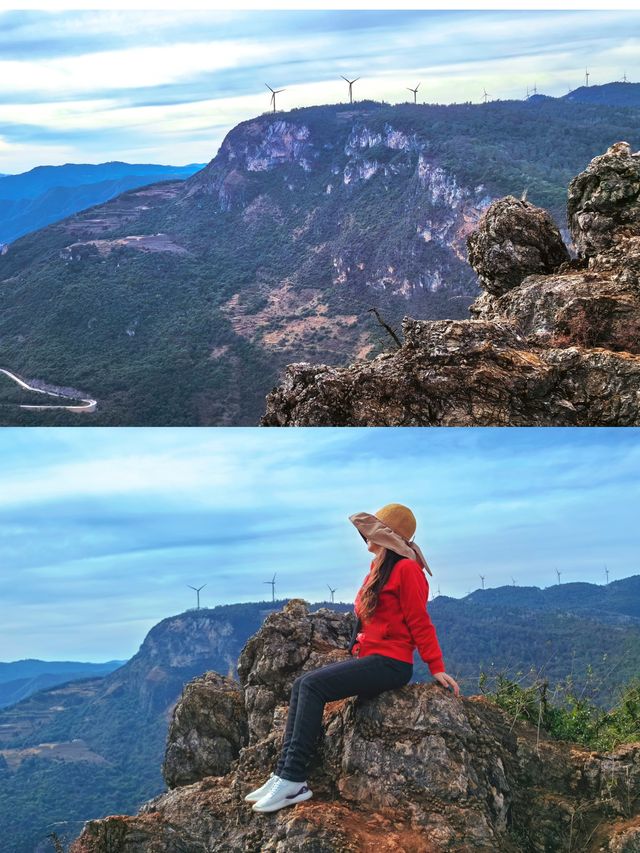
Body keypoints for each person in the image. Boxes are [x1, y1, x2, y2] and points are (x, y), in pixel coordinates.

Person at [246, 502, 461, 814]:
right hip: (372, 658)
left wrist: (436, 667)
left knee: (312, 688)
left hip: (392, 664)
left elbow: (420, 622)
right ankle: (282, 774)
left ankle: (294, 780)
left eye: (371, 532)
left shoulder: (407, 570)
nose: (365, 538)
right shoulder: (378, 568)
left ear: (389, 538)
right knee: (302, 684)